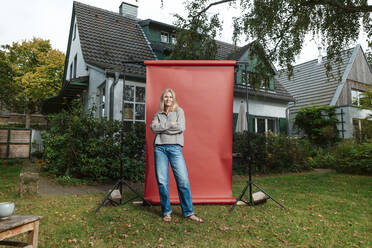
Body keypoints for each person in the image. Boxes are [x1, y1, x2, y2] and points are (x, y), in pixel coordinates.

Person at [150, 88, 204, 223]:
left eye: (171, 97)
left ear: (174, 99)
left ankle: (188, 212)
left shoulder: (179, 111)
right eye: (166, 97)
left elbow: (180, 128)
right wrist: (169, 125)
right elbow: (153, 128)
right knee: (162, 182)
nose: (168, 99)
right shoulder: (158, 114)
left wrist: (162, 127)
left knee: (183, 181)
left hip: (175, 148)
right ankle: (166, 212)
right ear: (163, 99)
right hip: (159, 148)